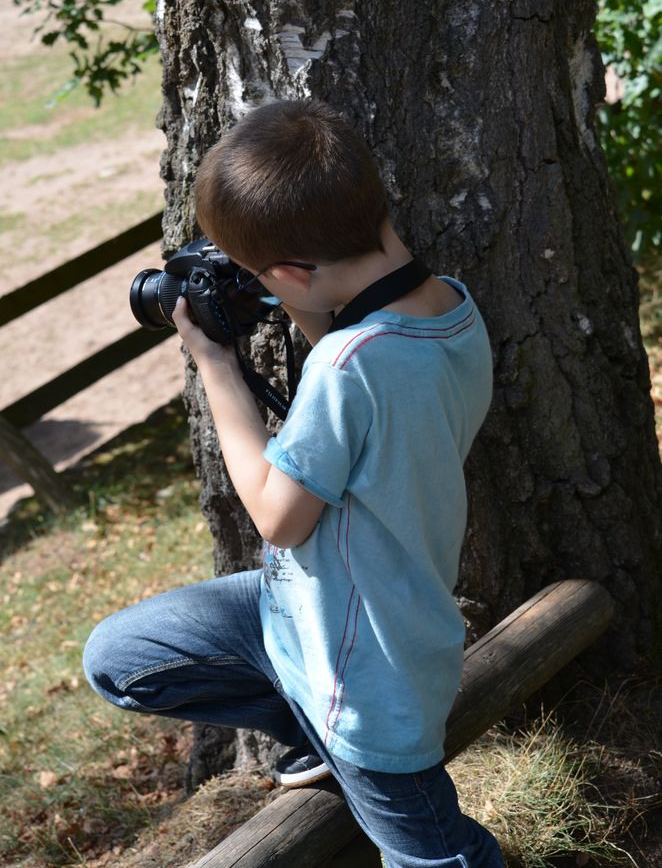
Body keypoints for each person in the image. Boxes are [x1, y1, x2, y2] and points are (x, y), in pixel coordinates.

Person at [83, 99, 503, 867]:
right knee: (122, 654)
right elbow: (359, 380)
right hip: (310, 612)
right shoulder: (450, 309)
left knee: (436, 855)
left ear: (288, 275)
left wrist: (214, 362)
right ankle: (309, 730)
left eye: (254, 277)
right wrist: (310, 308)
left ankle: (338, 742)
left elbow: (280, 516)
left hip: (368, 678)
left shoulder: (349, 369)